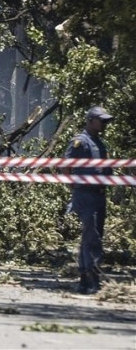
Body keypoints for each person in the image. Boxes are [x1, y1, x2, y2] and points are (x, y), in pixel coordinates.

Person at [63, 106, 114, 294]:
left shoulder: (99, 143)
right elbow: (66, 167)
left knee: (92, 235)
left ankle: (86, 278)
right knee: (92, 236)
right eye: (102, 121)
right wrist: (75, 187)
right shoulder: (80, 142)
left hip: (99, 195)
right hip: (85, 195)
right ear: (91, 120)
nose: (105, 125)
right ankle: (91, 279)